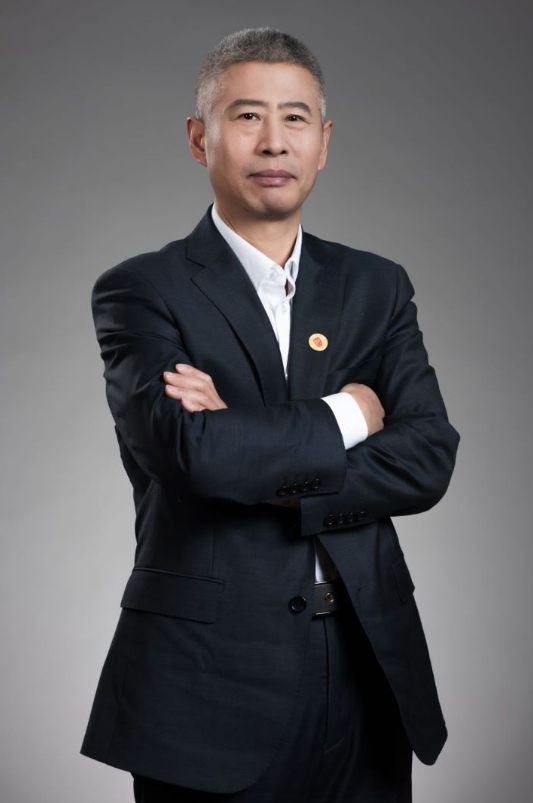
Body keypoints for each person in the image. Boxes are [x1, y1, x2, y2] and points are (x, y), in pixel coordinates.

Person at [80, 28, 460, 803]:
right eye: (247, 115)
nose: (273, 141)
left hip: (365, 667)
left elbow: (427, 457)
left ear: (323, 142)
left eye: (294, 118)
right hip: (206, 682)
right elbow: (193, 455)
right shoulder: (142, 290)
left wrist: (251, 448)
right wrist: (349, 413)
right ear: (200, 138)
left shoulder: (376, 286)